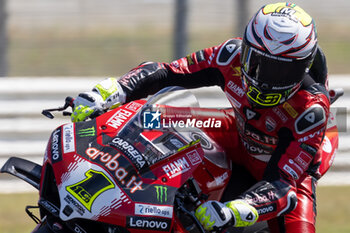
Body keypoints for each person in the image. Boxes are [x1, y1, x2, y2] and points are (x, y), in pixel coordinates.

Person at [71, 2, 331, 233]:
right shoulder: (231, 55)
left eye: (281, 71)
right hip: (236, 132)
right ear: (247, 48)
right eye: (257, 62)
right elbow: (168, 71)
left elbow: (282, 185)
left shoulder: (311, 109)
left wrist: (234, 210)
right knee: (157, 117)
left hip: (287, 173)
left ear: (304, 68)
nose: (264, 78)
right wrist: (114, 90)